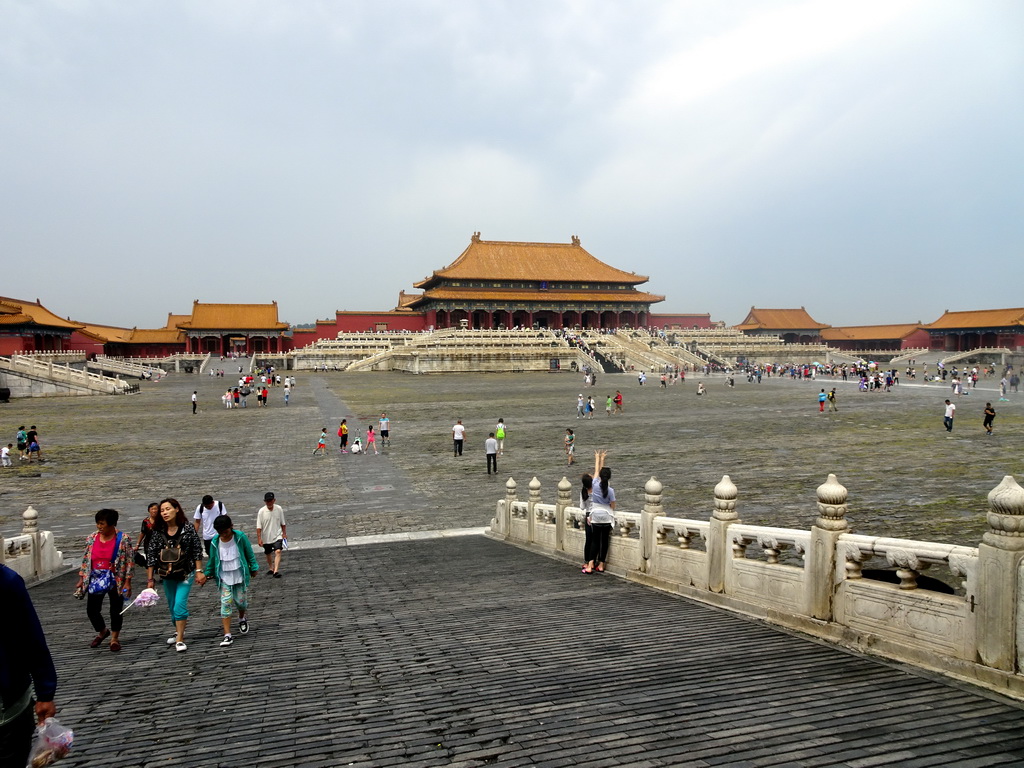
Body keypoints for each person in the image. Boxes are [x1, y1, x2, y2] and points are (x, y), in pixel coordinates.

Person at [0, 564, 57, 766]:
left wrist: (45, 693)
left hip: (9, 706)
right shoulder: (7, 580)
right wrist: (45, 693)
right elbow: (31, 638)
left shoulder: (6, 581)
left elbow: (30, 639)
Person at [146, 498, 205, 652]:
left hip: (186, 573)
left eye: (168, 509)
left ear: (177, 509)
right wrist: (150, 579)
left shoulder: (188, 528)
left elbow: (196, 550)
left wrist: (199, 571)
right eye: (162, 510)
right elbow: (151, 555)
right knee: (172, 607)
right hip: (167, 574)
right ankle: (178, 630)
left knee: (179, 604)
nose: (164, 513)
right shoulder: (158, 531)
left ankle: (180, 639)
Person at [74, 509, 135, 652]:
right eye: (98, 523)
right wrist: (82, 578)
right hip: (95, 577)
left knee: (116, 609)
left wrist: (128, 581)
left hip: (116, 578)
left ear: (112, 524)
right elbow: (86, 559)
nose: (99, 527)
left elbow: (129, 562)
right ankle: (102, 631)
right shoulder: (92, 538)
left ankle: (114, 638)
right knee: (92, 610)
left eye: (102, 524)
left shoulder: (123, 539)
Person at [200, 514, 259, 647]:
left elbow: (249, 553)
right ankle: (227, 635)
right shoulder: (215, 542)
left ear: (231, 527)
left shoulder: (240, 537)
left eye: (225, 532)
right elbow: (212, 560)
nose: (224, 535)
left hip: (239, 573)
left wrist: (254, 567)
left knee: (241, 602)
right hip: (223, 576)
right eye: (220, 532)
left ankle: (242, 618)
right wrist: (206, 574)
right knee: (226, 602)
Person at [584, 461, 616, 574]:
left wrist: (598, 458)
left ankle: (590, 564)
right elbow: (613, 505)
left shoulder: (595, 485)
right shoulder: (610, 491)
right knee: (604, 541)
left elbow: (596, 472)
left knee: (595, 541)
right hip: (606, 517)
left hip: (596, 516)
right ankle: (601, 564)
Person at [580, 450, 606, 574]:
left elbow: (581, 507)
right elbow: (599, 473)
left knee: (589, 539)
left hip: (587, 515)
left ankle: (587, 561)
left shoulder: (584, 491)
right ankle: (593, 562)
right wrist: (600, 459)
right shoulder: (597, 488)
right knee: (597, 540)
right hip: (596, 515)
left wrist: (599, 459)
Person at [256, 491, 286, 578]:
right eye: (267, 501)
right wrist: (259, 538)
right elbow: (259, 526)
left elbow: (283, 523)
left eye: (270, 501)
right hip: (266, 536)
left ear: (274, 500)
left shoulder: (279, 509)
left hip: (277, 534)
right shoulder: (261, 511)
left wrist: (284, 534)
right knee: (268, 552)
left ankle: (276, 571)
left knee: (278, 551)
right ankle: (271, 568)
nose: (269, 503)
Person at [136, 502, 159, 567]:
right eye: (152, 509)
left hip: (159, 543)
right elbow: (142, 533)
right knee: (149, 561)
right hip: (148, 544)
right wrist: (138, 544)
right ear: (149, 510)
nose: (154, 511)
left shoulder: (162, 521)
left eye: (156, 509)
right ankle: (150, 576)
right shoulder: (145, 521)